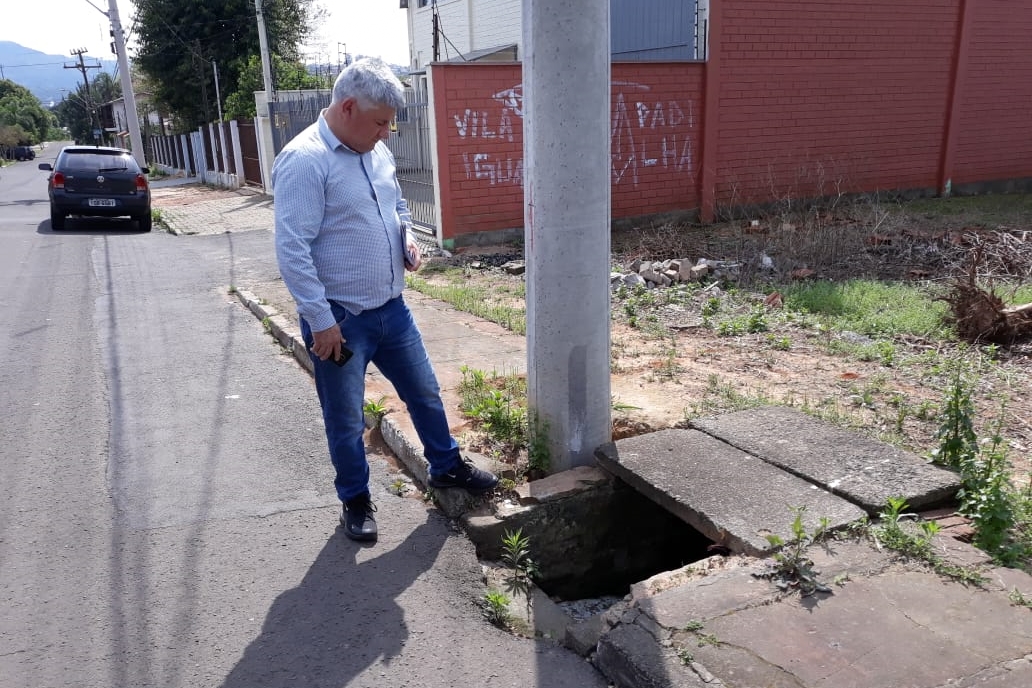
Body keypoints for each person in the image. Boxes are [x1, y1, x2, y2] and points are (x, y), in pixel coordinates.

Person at [272, 58, 498, 542]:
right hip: (339, 319)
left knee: (425, 392)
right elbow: (292, 248)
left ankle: (446, 466)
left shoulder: (375, 153)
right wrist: (320, 321)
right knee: (346, 417)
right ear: (348, 107)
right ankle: (355, 499)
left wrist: (406, 237)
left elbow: (396, 204)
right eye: (380, 122)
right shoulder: (305, 160)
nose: (388, 132)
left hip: (391, 309)